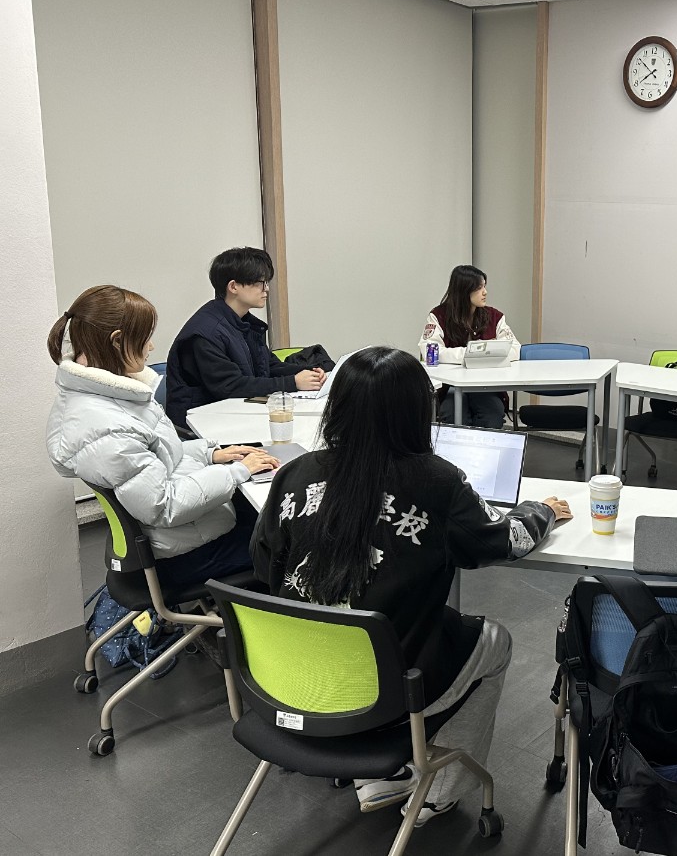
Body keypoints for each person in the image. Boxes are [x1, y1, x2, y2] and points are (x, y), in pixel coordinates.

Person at [250, 346, 572, 820]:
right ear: (418, 410)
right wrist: (542, 510)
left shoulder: (297, 473)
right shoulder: (437, 481)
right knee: (496, 641)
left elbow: (263, 562)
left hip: (291, 677)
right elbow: (506, 540)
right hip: (383, 692)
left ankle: (382, 776)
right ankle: (438, 790)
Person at [46, 285, 279, 589]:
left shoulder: (110, 398)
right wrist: (236, 472)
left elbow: (160, 458)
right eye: (144, 338)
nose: (151, 347)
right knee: (290, 535)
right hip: (180, 557)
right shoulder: (107, 425)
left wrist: (210, 454)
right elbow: (163, 505)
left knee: (271, 510)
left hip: (183, 533)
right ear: (117, 341)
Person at [166, 247, 325, 429]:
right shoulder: (206, 333)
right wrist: (293, 382)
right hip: (201, 425)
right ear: (233, 287)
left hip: (234, 413)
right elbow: (230, 386)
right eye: (260, 283)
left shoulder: (243, 322)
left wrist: (310, 372)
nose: (266, 289)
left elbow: (268, 366)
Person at [418, 265, 520, 429]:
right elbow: (430, 350)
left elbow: (515, 349)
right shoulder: (438, 316)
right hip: (451, 385)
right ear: (464, 290)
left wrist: (482, 353)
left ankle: (486, 446)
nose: (485, 292)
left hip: (486, 385)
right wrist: (471, 354)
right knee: (451, 414)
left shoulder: (495, 316)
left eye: (485, 286)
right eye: (479, 288)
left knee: (492, 415)